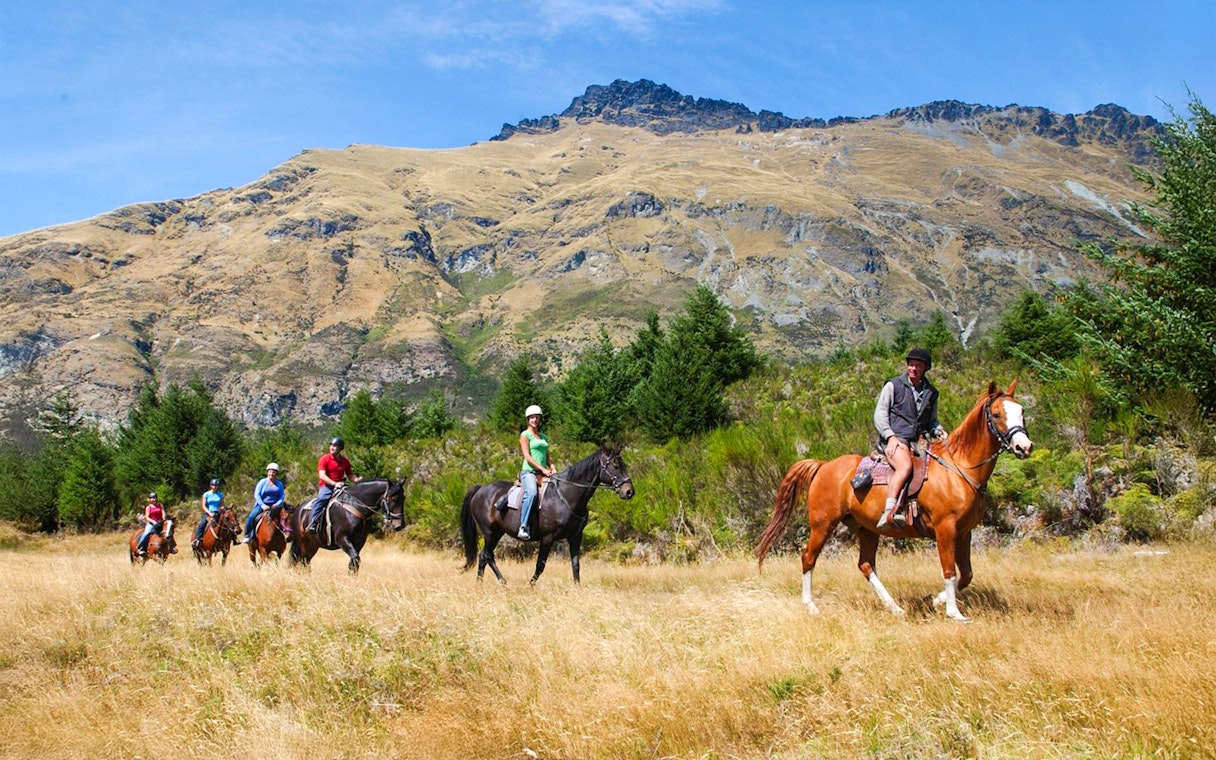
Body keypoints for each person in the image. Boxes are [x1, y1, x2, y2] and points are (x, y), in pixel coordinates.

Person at [873, 347, 948, 529]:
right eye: (911, 364)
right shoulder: (893, 385)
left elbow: (932, 420)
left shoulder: (931, 393)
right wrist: (890, 437)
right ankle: (889, 512)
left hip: (918, 442)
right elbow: (880, 414)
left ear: (925, 368)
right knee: (905, 466)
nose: (913, 368)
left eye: (917, 365)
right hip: (896, 438)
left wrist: (939, 431)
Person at [516, 404, 555, 540]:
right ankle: (523, 526)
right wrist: (542, 468)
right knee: (532, 493)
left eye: (537, 417)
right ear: (528, 420)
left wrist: (552, 466)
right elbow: (527, 456)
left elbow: (547, 455)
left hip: (543, 473)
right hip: (529, 472)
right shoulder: (525, 435)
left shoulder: (543, 437)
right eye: (532, 417)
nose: (535, 420)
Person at [309, 438, 356, 533]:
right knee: (321, 499)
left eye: (335, 446)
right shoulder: (324, 459)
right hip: (327, 486)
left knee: (354, 499)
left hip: (341, 485)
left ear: (340, 448)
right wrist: (334, 484)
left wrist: (358, 480)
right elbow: (322, 475)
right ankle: (313, 522)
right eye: (331, 445)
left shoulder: (345, 461)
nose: (332, 447)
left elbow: (350, 475)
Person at [244, 463, 285, 543]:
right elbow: (257, 494)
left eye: (273, 472)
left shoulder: (279, 484)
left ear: (276, 473)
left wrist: (276, 505)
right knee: (252, 516)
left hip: (275, 506)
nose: (272, 474)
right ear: (267, 472)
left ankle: (287, 535)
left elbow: (281, 496)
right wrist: (263, 505)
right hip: (262, 505)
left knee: (286, 517)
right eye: (270, 472)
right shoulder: (262, 482)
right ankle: (248, 535)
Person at [191, 479, 225, 548]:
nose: (214, 487)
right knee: (202, 524)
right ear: (210, 486)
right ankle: (197, 540)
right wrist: (209, 513)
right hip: (208, 513)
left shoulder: (221, 494)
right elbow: (203, 506)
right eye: (213, 485)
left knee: (228, 523)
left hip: (218, 513)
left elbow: (221, 504)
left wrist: (222, 508)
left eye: (216, 485)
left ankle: (233, 539)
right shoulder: (206, 494)